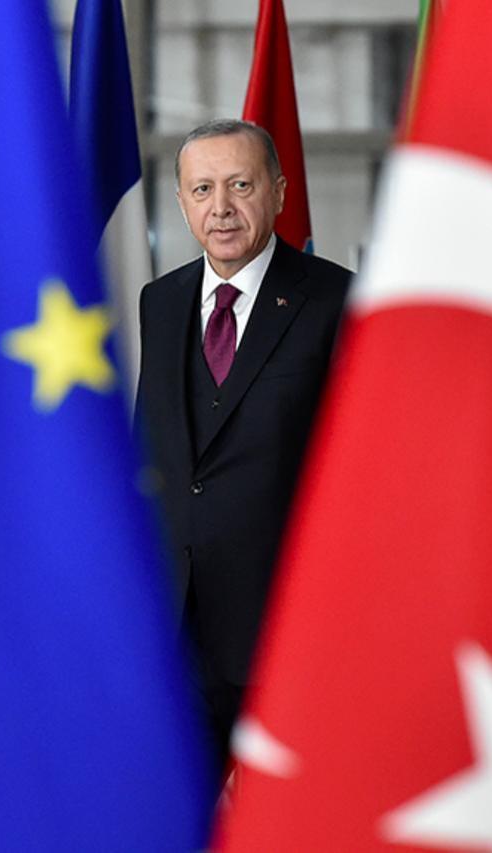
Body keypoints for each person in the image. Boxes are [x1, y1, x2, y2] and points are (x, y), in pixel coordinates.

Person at [135, 119, 351, 777]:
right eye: (202, 188)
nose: (220, 207)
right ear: (181, 202)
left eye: (240, 184)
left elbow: (355, 475)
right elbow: (156, 453)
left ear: (279, 192)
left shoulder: (337, 299)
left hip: (286, 633)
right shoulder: (161, 301)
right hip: (174, 636)